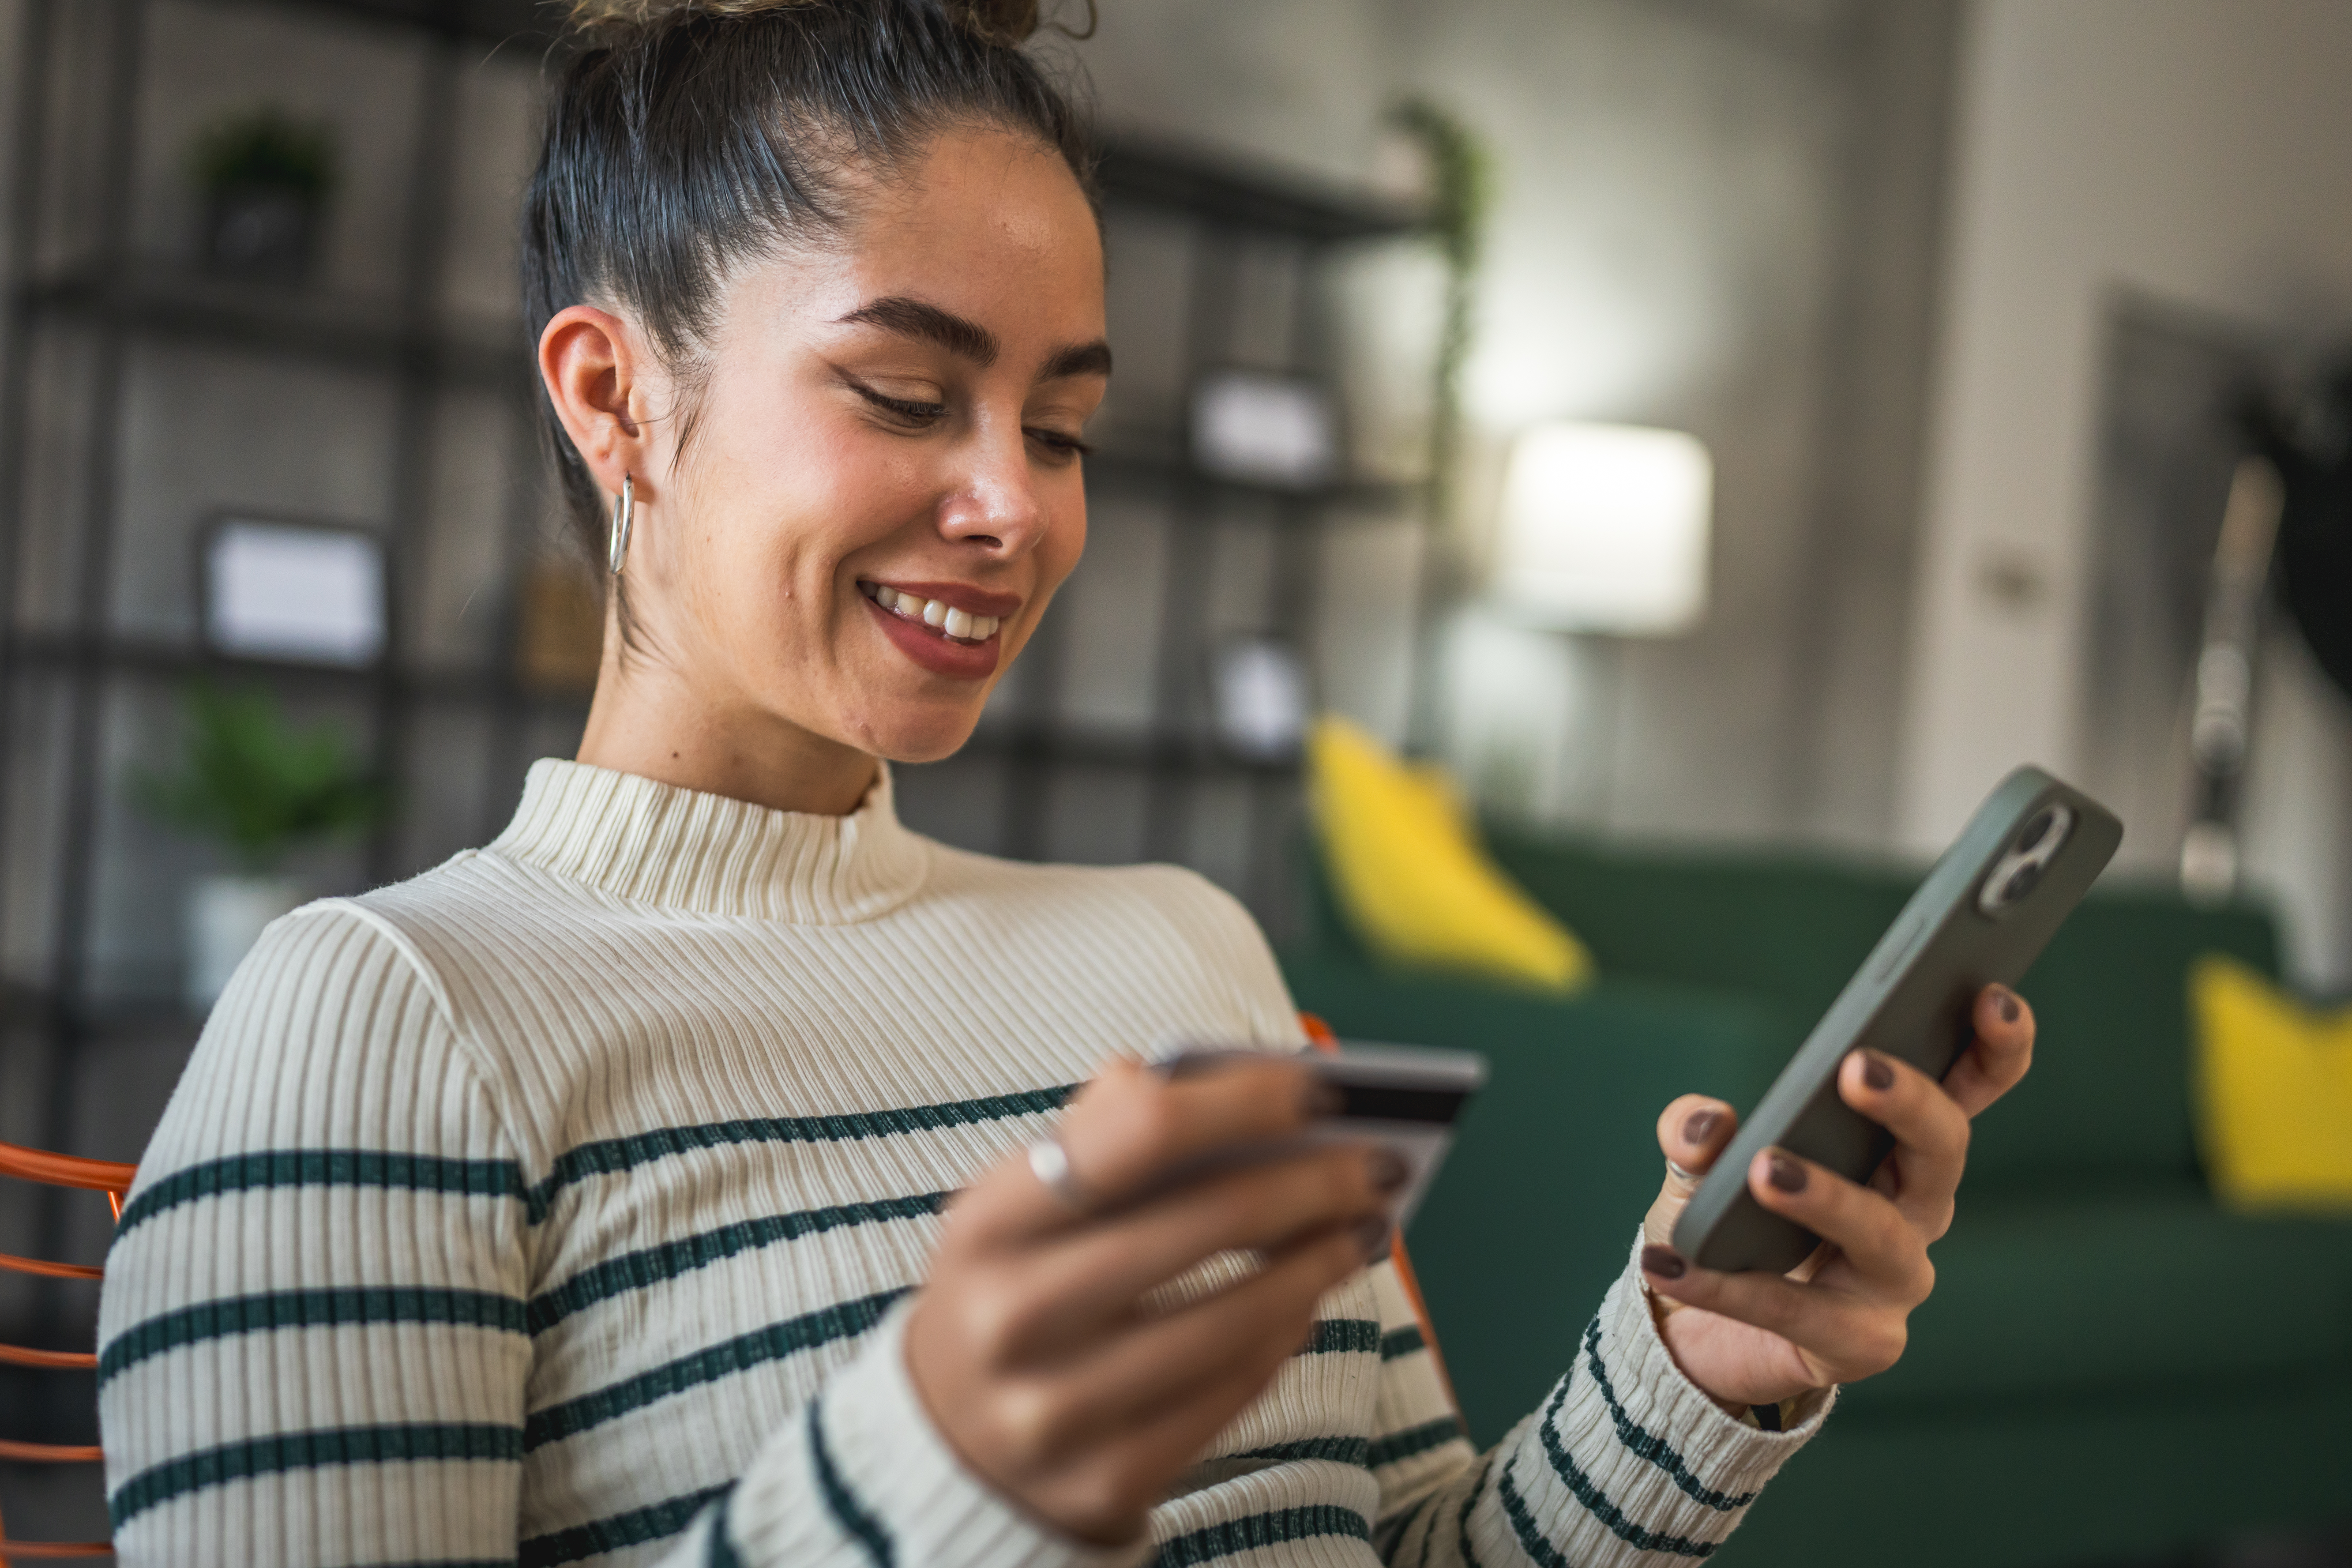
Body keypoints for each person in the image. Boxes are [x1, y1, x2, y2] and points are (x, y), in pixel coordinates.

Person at [94, 2, 2037, 1564]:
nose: (1015, 505)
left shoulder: (1187, 956)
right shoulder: (394, 1023)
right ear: (616, 397)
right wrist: (921, 1473)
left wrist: (1694, 1366)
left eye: (1067, 421)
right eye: (905, 394)